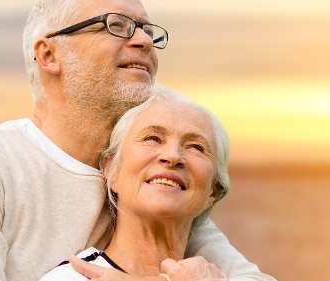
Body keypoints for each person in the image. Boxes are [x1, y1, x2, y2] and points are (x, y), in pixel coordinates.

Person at [0, 0, 276, 280]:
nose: (144, 40)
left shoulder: (149, 184)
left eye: (148, 30)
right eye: (117, 25)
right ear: (49, 55)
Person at [40, 88, 234, 281]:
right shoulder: (74, 276)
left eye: (195, 147)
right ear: (111, 169)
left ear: (214, 191)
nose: (173, 156)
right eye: (153, 138)